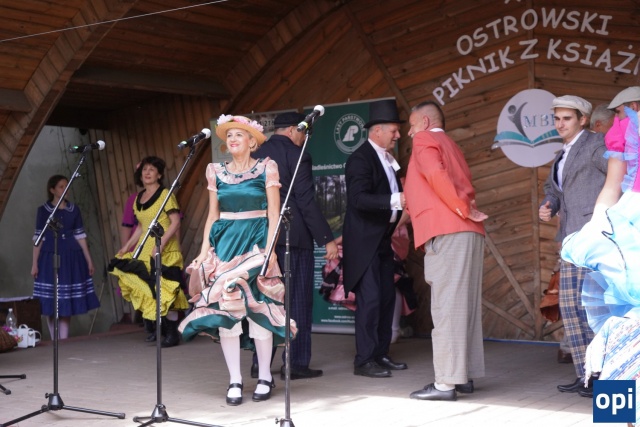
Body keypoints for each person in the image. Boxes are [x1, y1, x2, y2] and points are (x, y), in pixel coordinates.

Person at [178, 115, 297, 406]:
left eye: (239, 135)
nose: (232, 139)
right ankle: (234, 380)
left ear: (252, 141)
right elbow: (212, 216)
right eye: (229, 135)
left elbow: (274, 213)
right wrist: (204, 251)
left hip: (257, 244)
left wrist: (270, 250)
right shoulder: (215, 171)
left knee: (260, 310)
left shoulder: (267, 167)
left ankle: (265, 376)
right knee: (226, 312)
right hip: (226, 246)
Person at [404, 101, 486, 401]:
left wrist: (460, 208)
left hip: (448, 228)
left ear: (425, 122)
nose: (409, 132)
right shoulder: (451, 144)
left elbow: (435, 174)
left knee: (447, 308)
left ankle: (445, 384)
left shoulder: (425, 139)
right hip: (467, 231)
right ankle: (463, 376)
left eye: (411, 125)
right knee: (464, 307)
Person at [560, 103, 640, 409]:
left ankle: (620, 410)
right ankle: (618, 412)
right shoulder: (628, 127)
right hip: (630, 227)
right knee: (625, 324)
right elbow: (611, 186)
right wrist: (596, 229)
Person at [253, 112, 338, 380]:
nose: (304, 138)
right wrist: (326, 238)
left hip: (262, 238)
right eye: (303, 132)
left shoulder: (256, 155)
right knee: (297, 301)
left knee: (267, 300)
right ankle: (296, 364)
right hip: (294, 236)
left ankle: (259, 363)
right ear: (292, 130)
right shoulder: (297, 154)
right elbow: (305, 200)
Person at [538, 95, 607, 397]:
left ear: (583, 119)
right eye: (557, 118)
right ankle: (586, 375)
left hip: (594, 237)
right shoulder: (562, 153)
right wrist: (548, 205)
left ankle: (604, 375)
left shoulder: (596, 144)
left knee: (591, 309)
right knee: (570, 308)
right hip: (570, 240)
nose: (560, 124)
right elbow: (552, 189)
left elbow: (618, 177)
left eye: (566, 118)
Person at [342, 99, 408, 378]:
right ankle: (364, 360)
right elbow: (358, 199)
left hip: (382, 239)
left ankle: (380, 354)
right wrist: (396, 200)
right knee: (369, 301)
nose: (398, 135)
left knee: (386, 299)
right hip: (364, 242)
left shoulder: (388, 158)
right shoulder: (360, 158)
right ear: (377, 130)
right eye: (394, 130)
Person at [108, 156, 189, 348]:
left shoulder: (165, 195)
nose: (147, 173)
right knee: (149, 288)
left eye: (152, 169)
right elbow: (140, 227)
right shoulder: (138, 198)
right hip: (145, 248)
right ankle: (159, 329)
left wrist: (161, 245)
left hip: (164, 247)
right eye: (144, 169)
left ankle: (172, 334)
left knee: (166, 290)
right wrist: (127, 246)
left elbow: (175, 222)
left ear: (159, 175)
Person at [31, 175, 100, 339]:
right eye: (61, 186)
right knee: (50, 299)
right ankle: (55, 339)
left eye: (66, 186)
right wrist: (34, 264)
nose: (65, 189)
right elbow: (38, 238)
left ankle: (64, 340)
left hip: (71, 257)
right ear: (52, 190)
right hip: (49, 256)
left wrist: (89, 260)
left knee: (65, 299)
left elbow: (80, 236)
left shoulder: (73, 210)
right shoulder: (44, 211)